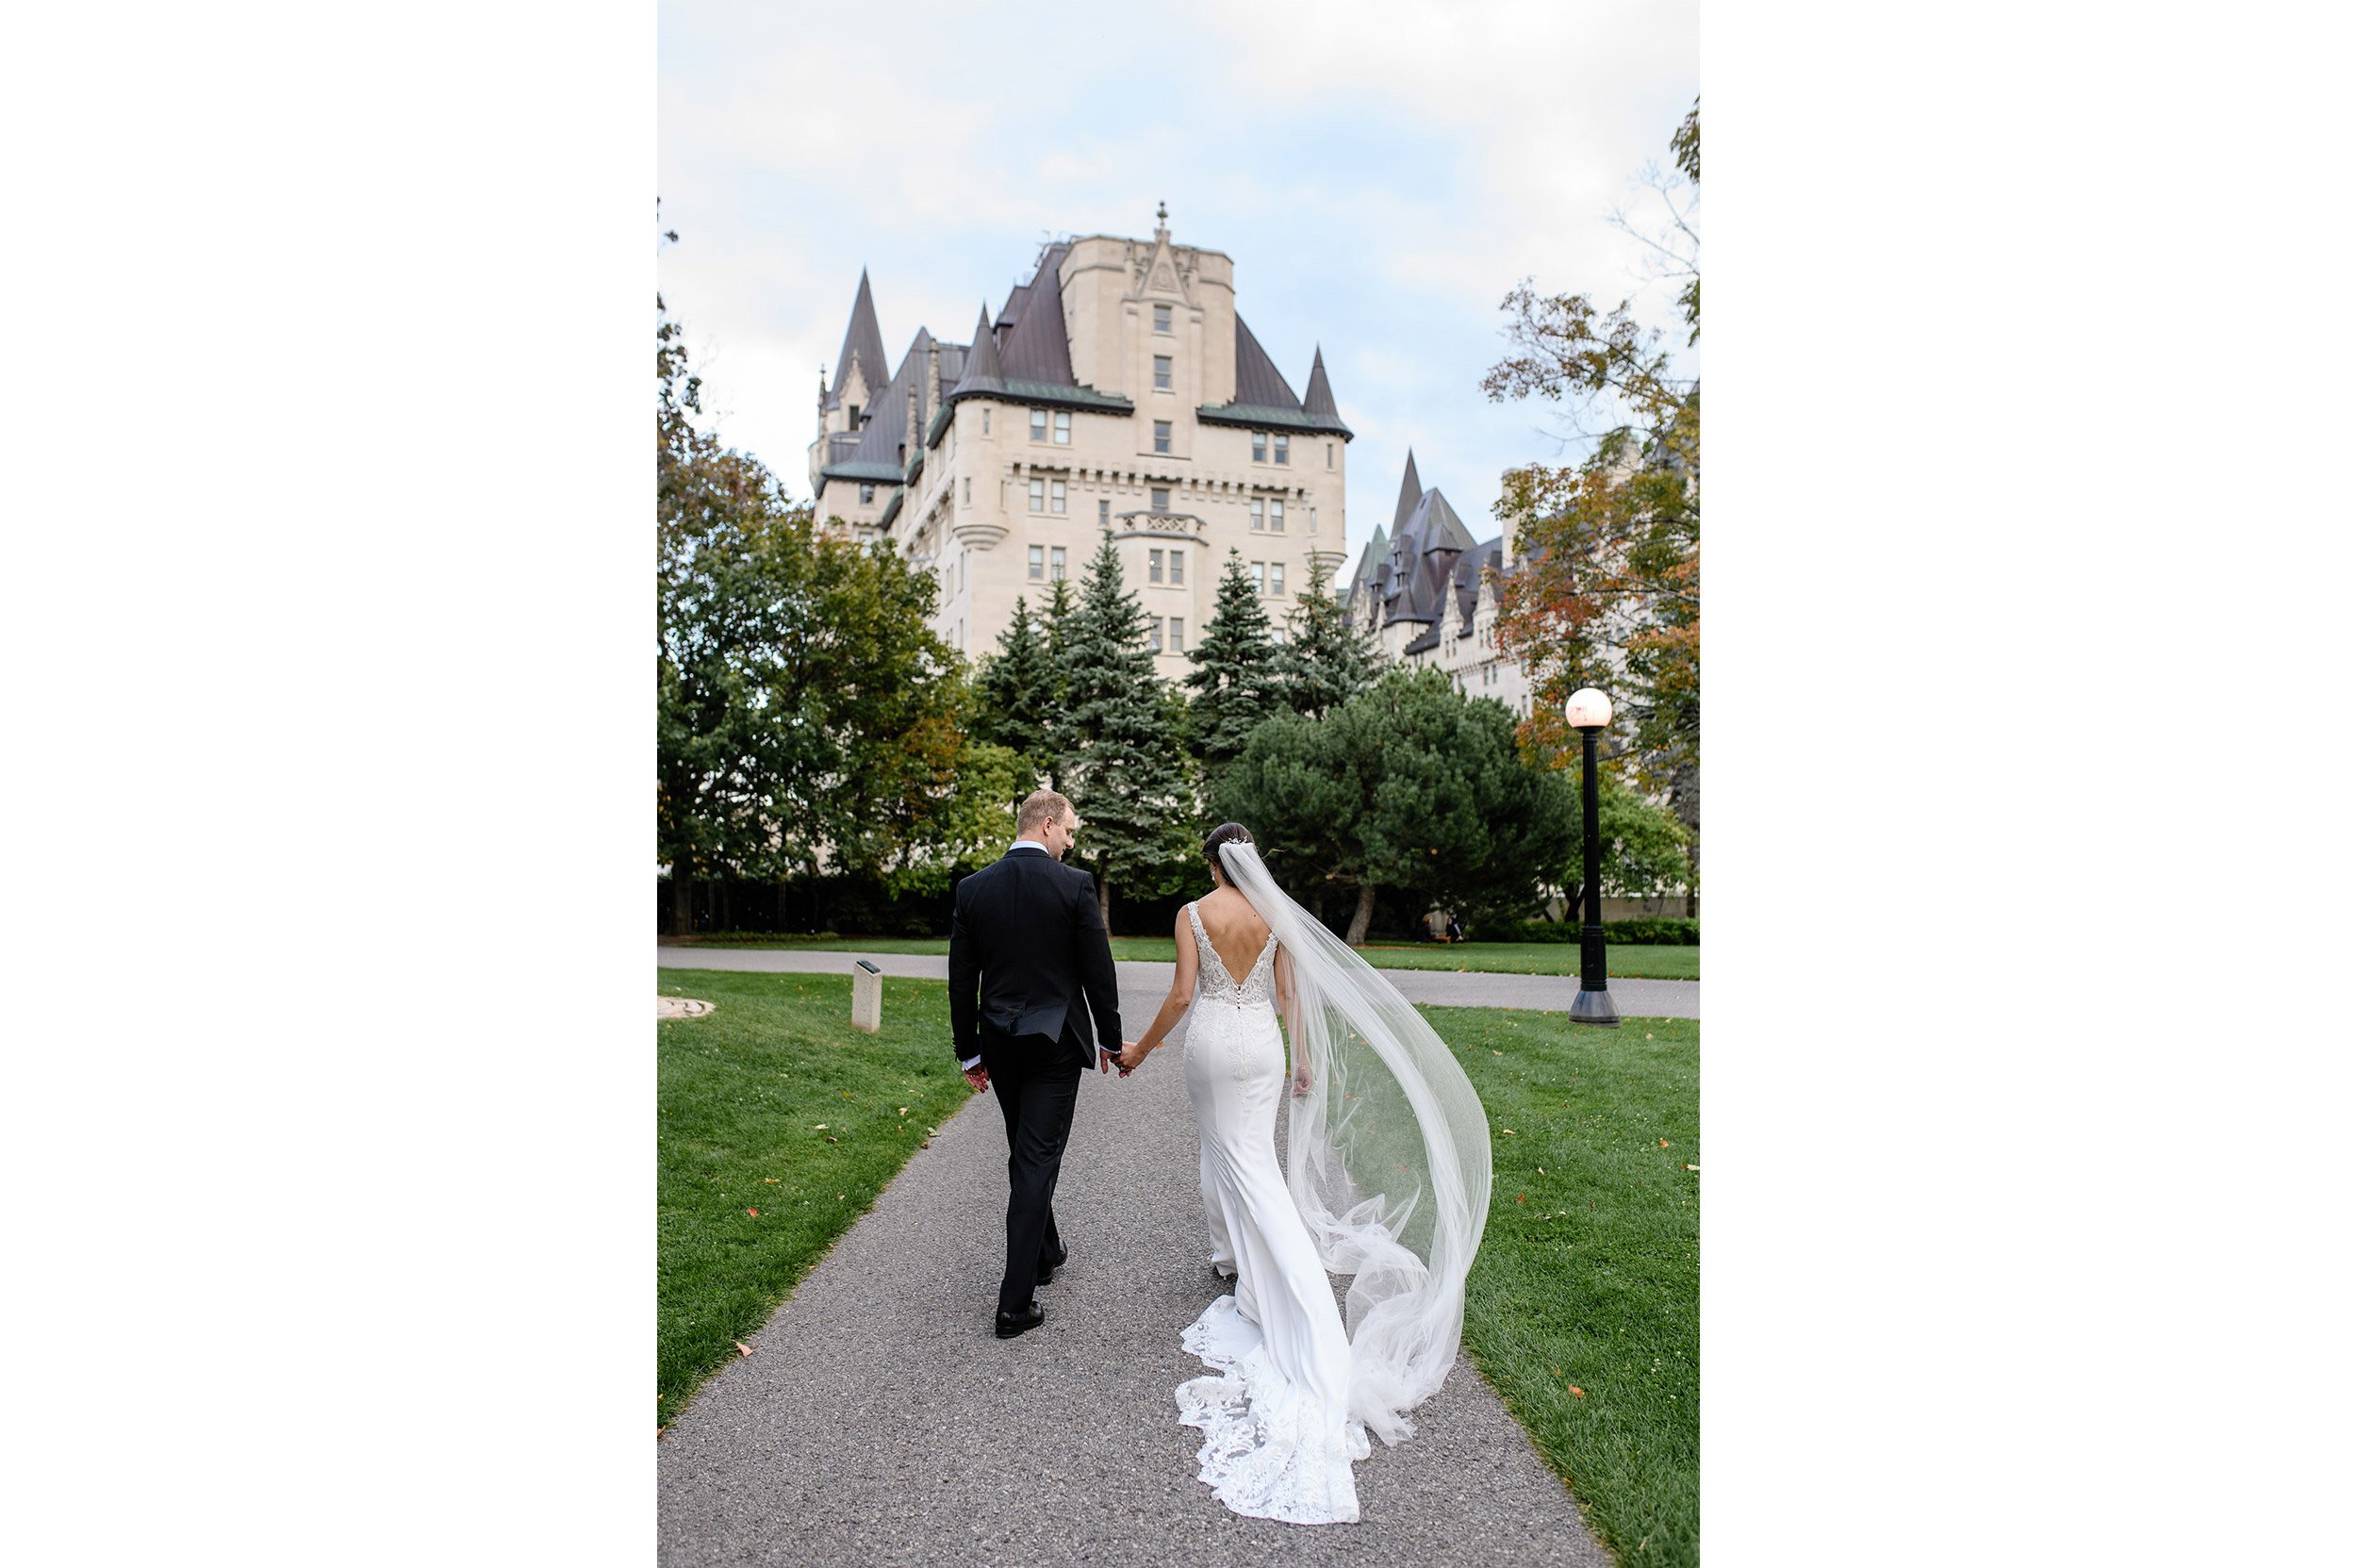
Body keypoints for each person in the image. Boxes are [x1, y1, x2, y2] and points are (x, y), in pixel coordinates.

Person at [1117, 824, 1493, 1526]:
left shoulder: (1192, 913)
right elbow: (1289, 996)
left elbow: (1179, 995)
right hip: (1259, 1043)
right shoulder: (1276, 918)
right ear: (1253, 860)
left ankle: (1264, 1274)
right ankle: (1238, 1259)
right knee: (1249, 1154)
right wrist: (1302, 1060)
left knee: (1231, 1158)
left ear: (1210, 861)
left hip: (1208, 1044)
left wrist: (1139, 1047)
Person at [946, 789, 1122, 1340]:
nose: (1071, 842)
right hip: (1054, 1046)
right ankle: (1014, 1304)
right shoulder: (1073, 886)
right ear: (1046, 825)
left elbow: (960, 978)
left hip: (1000, 1041)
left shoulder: (974, 889)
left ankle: (1046, 1251)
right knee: (1036, 1158)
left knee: (1024, 1147)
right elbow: (1099, 969)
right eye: (1069, 831)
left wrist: (969, 1050)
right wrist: (1111, 1040)